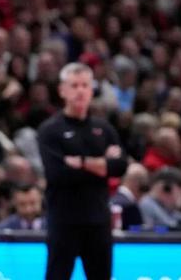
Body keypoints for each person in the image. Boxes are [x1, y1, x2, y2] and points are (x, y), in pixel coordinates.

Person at [38, 62, 128, 280]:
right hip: (64, 220)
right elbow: (58, 173)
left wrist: (82, 162)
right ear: (62, 90)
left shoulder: (103, 128)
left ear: (92, 90)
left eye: (85, 85)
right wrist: (102, 165)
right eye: (74, 85)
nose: (80, 91)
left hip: (98, 220)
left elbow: (120, 166)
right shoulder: (50, 130)